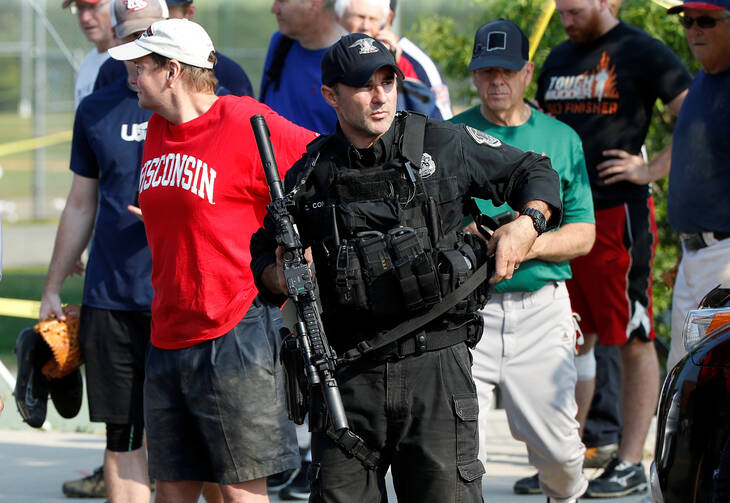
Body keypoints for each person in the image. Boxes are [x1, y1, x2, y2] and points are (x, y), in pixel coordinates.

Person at [250, 32, 562, 503]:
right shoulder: (309, 176)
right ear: (330, 96)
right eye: (363, 86)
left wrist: (528, 223)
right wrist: (284, 276)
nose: (380, 96)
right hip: (346, 378)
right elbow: (264, 257)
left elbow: (533, 170)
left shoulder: (442, 142)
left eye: (387, 81)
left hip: (435, 369)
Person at [107, 18, 316, 503]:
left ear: (173, 71)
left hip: (233, 330)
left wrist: (300, 246)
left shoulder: (244, 120)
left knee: (240, 492)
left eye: (140, 69)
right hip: (168, 332)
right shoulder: (158, 128)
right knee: (173, 491)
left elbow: (320, 167)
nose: (132, 79)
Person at [536, 0, 692, 498]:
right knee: (568, 335)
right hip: (563, 218)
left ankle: (628, 461)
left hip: (617, 215)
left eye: (576, 10)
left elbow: (696, 116)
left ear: (608, 2)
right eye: (561, 11)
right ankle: (566, 459)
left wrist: (651, 169)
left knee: (631, 334)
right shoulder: (558, 57)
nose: (566, 19)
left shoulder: (642, 51)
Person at [450, 20, 595, 503]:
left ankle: (566, 496)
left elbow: (583, 233)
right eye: (486, 70)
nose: (497, 81)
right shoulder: (452, 134)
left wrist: (523, 239)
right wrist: (475, 236)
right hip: (470, 306)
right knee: (460, 448)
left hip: (541, 307)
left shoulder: (560, 138)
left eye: (507, 70)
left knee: (559, 454)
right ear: (474, 75)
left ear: (527, 72)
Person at [40, 2, 169, 502]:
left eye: (150, 36)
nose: (139, 48)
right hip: (112, 297)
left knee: (189, 440)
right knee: (122, 437)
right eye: (131, 36)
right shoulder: (97, 107)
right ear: (118, 39)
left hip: (181, 298)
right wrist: (53, 287)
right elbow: (80, 203)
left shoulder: (201, 105)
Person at [664, 0, 730, 369]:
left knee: (714, 385)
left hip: (725, 259)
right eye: (688, 22)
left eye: (706, 21)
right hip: (695, 257)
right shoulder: (705, 77)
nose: (694, 31)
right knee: (685, 384)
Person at [93, 0, 254, 98]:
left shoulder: (227, 74)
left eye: (151, 29)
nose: (144, 44)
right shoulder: (111, 72)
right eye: (134, 35)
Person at [261, 0, 348, 134]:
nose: (274, 9)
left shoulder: (350, 61)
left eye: (282, 2)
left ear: (314, 3)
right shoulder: (281, 43)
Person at [383, 0, 453, 119]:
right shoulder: (346, 54)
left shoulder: (418, 61)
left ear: (388, 17)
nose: (363, 24)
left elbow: (444, 120)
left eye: (367, 17)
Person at [62, 0, 114, 108]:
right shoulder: (88, 61)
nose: (85, 18)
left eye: (93, 6)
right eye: (80, 8)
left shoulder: (133, 63)